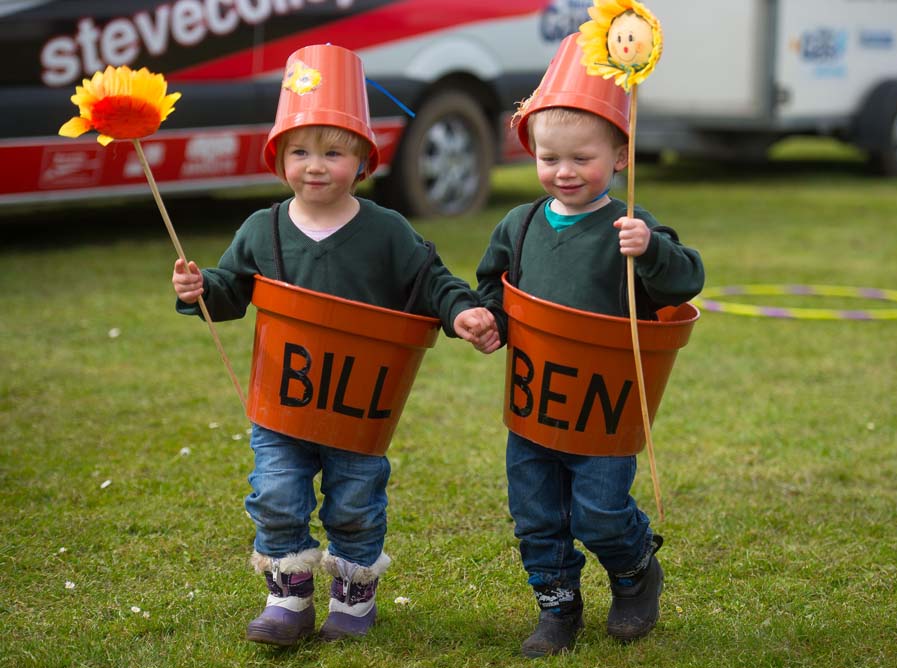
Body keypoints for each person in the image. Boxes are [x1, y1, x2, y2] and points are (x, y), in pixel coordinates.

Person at [172, 44, 497, 647]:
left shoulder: (386, 231)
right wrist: (200, 290)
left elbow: (433, 283)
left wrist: (463, 314)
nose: (315, 166)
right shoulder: (261, 229)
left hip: (360, 405)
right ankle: (287, 597)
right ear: (279, 160)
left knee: (355, 501)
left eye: (333, 151)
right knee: (275, 495)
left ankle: (352, 597)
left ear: (363, 160)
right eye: (299, 151)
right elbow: (231, 291)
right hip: (282, 403)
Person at [474, 34, 705, 657]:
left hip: (607, 404)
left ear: (620, 155)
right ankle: (557, 608)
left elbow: (685, 283)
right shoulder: (517, 225)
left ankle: (635, 573)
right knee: (537, 516)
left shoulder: (630, 226)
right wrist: (488, 318)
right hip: (533, 404)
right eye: (550, 158)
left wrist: (652, 251)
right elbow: (493, 283)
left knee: (600, 511)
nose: (565, 172)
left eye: (582, 157)